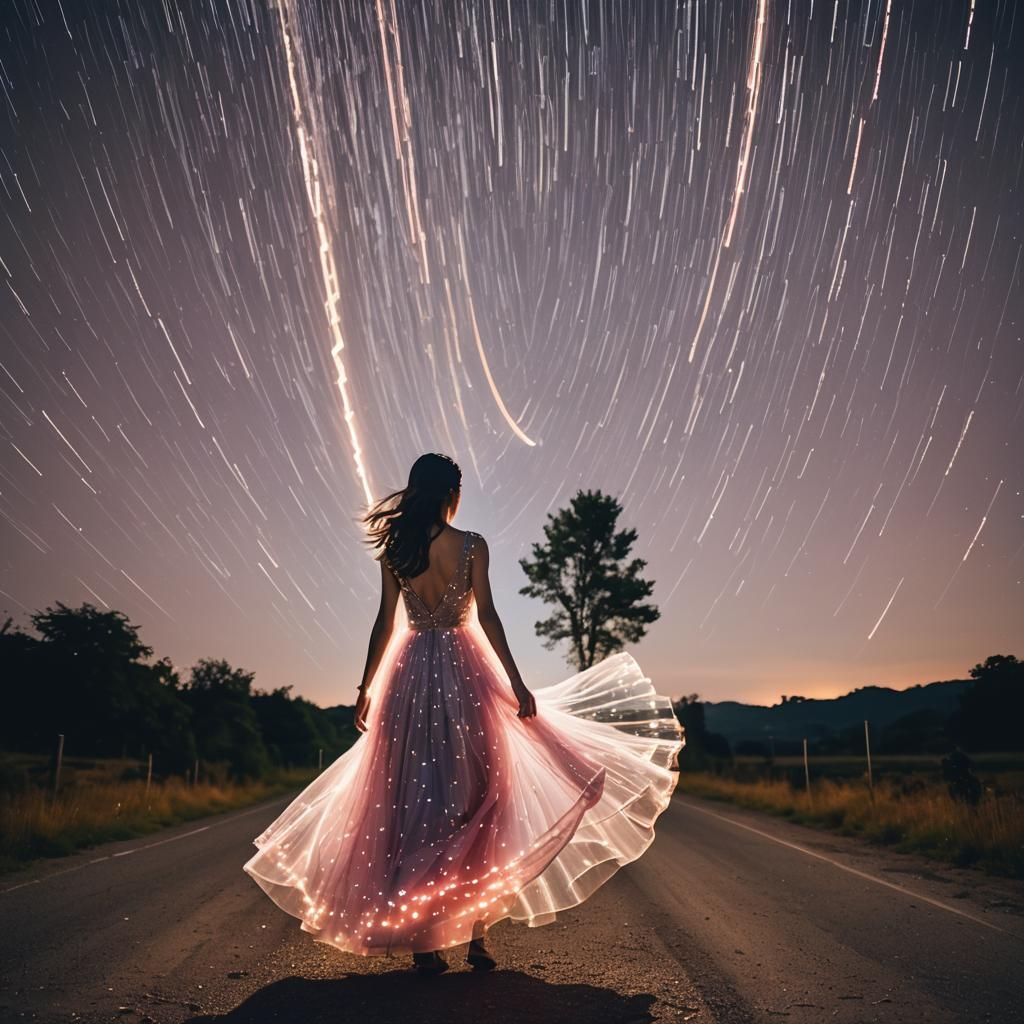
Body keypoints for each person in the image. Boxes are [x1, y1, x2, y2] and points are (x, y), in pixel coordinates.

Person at [242, 453, 684, 975]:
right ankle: (477, 938)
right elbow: (489, 616)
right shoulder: (471, 544)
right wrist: (517, 683)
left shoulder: (397, 550)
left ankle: (425, 945)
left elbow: (385, 622)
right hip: (465, 676)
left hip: (407, 682)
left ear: (414, 491)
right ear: (452, 493)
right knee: (482, 799)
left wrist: (366, 687)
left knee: (411, 803)